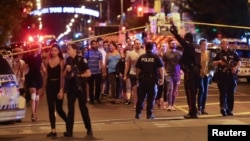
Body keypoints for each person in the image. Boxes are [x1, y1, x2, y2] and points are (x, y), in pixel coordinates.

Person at [170, 21, 201, 119]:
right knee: (194, 92)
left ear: (187, 39)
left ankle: (192, 112)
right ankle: (194, 111)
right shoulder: (197, 47)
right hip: (197, 72)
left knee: (190, 92)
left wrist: (174, 32)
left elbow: (181, 41)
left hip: (190, 72)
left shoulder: (189, 45)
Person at [63, 43, 93, 137]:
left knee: (83, 108)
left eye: (69, 49)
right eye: (67, 49)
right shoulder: (68, 60)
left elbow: (88, 73)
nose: (67, 50)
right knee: (70, 110)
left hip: (80, 87)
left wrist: (79, 75)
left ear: (75, 49)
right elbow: (63, 75)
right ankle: (69, 130)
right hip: (71, 88)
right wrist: (66, 70)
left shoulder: (81, 59)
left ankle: (89, 128)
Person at [42, 44, 67, 137]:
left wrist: (61, 90)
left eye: (55, 50)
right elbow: (46, 76)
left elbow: (62, 77)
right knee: (51, 108)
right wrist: (43, 89)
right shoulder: (47, 61)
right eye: (52, 50)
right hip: (49, 86)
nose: (53, 52)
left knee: (59, 109)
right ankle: (53, 130)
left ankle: (68, 122)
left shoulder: (61, 61)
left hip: (58, 85)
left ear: (59, 51)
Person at [135, 41, 164, 119]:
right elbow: (160, 69)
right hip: (152, 79)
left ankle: (138, 113)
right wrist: (162, 78)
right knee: (151, 97)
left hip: (143, 79)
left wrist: (138, 78)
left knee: (141, 97)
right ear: (153, 48)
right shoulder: (155, 57)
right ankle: (149, 114)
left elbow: (137, 69)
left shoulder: (141, 57)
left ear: (145, 48)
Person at [212, 39, 241, 116]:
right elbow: (213, 63)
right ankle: (223, 108)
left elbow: (239, 61)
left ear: (227, 44)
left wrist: (235, 68)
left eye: (223, 43)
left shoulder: (233, 52)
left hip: (231, 76)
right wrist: (218, 62)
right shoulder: (218, 54)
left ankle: (230, 110)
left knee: (230, 94)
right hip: (222, 76)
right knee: (223, 93)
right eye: (221, 43)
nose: (222, 45)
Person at [23, 44, 46, 121]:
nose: (40, 50)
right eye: (39, 48)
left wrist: (46, 73)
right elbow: (24, 67)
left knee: (37, 97)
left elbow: (42, 67)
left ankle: (36, 113)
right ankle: (32, 114)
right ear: (35, 49)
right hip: (31, 77)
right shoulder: (29, 58)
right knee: (33, 95)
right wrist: (23, 75)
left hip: (38, 77)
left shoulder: (39, 58)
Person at [124, 39, 145, 109]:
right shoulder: (130, 53)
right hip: (133, 73)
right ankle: (135, 104)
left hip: (143, 74)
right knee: (134, 89)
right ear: (134, 44)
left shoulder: (144, 53)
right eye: (136, 43)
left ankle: (141, 103)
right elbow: (127, 65)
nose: (138, 45)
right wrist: (125, 75)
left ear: (141, 44)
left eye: (139, 43)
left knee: (142, 89)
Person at [162, 39, 182, 111]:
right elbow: (164, 64)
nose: (173, 44)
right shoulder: (166, 54)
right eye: (172, 43)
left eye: (174, 43)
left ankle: (173, 105)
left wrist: (181, 71)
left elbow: (182, 63)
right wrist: (165, 72)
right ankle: (169, 105)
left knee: (174, 91)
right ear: (169, 44)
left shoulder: (179, 53)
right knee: (170, 89)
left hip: (177, 74)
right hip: (169, 74)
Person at [197, 38, 215, 115]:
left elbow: (212, 64)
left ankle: (203, 108)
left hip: (206, 74)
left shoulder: (209, 53)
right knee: (201, 90)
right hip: (199, 74)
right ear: (200, 45)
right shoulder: (198, 53)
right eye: (203, 44)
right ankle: (199, 108)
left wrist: (211, 73)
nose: (205, 46)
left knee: (205, 92)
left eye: (206, 44)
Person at [84, 40, 104, 104]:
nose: (94, 45)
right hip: (90, 72)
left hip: (98, 72)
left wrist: (103, 71)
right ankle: (91, 99)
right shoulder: (88, 52)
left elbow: (101, 62)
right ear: (91, 45)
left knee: (98, 86)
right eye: (93, 44)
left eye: (95, 44)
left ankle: (97, 98)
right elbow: (85, 62)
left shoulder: (99, 53)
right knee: (91, 86)